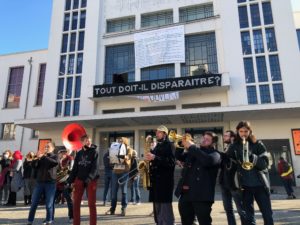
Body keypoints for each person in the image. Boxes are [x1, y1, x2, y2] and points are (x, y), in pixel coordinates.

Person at [227, 121, 274, 225]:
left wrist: (252, 157)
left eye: (246, 131)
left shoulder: (258, 144)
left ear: (250, 131)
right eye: (241, 131)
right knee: (248, 216)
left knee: (267, 214)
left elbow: (264, 164)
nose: (243, 133)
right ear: (237, 132)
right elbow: (228, 166)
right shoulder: (234, 146)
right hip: (244, 186)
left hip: (260, 185)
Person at [175, 132, 221, 225]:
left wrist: (192, 147)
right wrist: (181, 143)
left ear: (213, 143)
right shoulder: (193, 152)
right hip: (186, 194)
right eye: (203, 138)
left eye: (207, 139)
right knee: (186, 221)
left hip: (202, 196)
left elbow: (207, 161)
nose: (203, 140)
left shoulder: (216, 154)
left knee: (204, 222)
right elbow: (178, 156)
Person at [145, 125, 176, 225]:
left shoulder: (170, 145)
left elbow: (171, 163)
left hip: (165, 181)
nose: (157, 134)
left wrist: (155, 157)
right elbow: (154, 159)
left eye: (159, 132)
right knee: (157, 207)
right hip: (156, 181)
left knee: (165, 208)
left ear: (164, 134)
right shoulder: (158, 145)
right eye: (156, 132)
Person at [67, 134, 99, 225]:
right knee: (76, 203)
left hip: (91, 180)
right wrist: (70, 181)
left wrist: (88, 179)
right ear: (82, 142)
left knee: (91, 204)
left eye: (89, 140)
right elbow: (75, 169)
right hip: (79, 180)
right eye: (86, 140)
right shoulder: (79, 153)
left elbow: (95, 168)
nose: (88, 142)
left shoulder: (94, 152)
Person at [27, 141, 59, 225]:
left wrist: (43, 157)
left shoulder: (55, 156)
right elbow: (34, 166)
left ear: (53, 148)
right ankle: (30, 221)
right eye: (45, 147)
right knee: (34, 203)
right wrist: (36, 159)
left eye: (48, 147)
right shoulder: (42, 157)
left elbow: (54, 163)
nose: (46, 148)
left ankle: (49, 221)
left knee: (49, 204)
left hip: (50, 183)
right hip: (39, 183)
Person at [219, 130, 247, 225]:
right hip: (224, 183)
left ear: (232, 137)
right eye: (224, 135)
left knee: (241, 209)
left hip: (234, 183)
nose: (224, 137)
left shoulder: (235, 148)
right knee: (228, 209)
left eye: (226, 136)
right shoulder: (226, 148)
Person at [106, 137, 133, 216]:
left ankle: (123, 208)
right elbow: (111, 159)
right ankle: (112, 208)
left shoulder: (129, 149)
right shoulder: (116, 148)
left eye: (121, 141)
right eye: (119, 141)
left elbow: (129, 156)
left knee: (124, 191)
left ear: (125, 141)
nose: (120, 142)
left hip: (124, 171)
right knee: (113, 191)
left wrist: (124, 157)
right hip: (115, 171)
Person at [53, 147, 74, 223]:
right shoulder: (57, 160)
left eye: (64, 152)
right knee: (51, 200)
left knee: (69, 201)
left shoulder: (70, 158)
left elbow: (71, 170)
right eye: (61, 153)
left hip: (66, 182)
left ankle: (71, 216)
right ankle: (50, 217)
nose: (62, 154)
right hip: (58, 183)